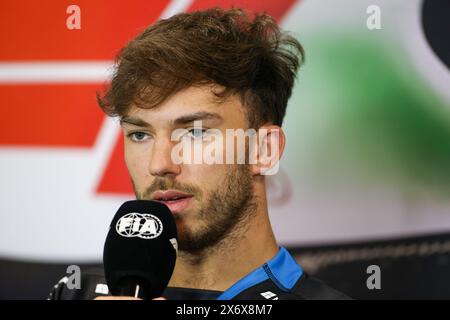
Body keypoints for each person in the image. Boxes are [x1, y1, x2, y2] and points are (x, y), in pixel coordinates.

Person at [49, 7, 349, 300]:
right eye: (140, 134)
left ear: (264, 150)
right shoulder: (77, 292)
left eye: (194, 132)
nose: (160, 165)